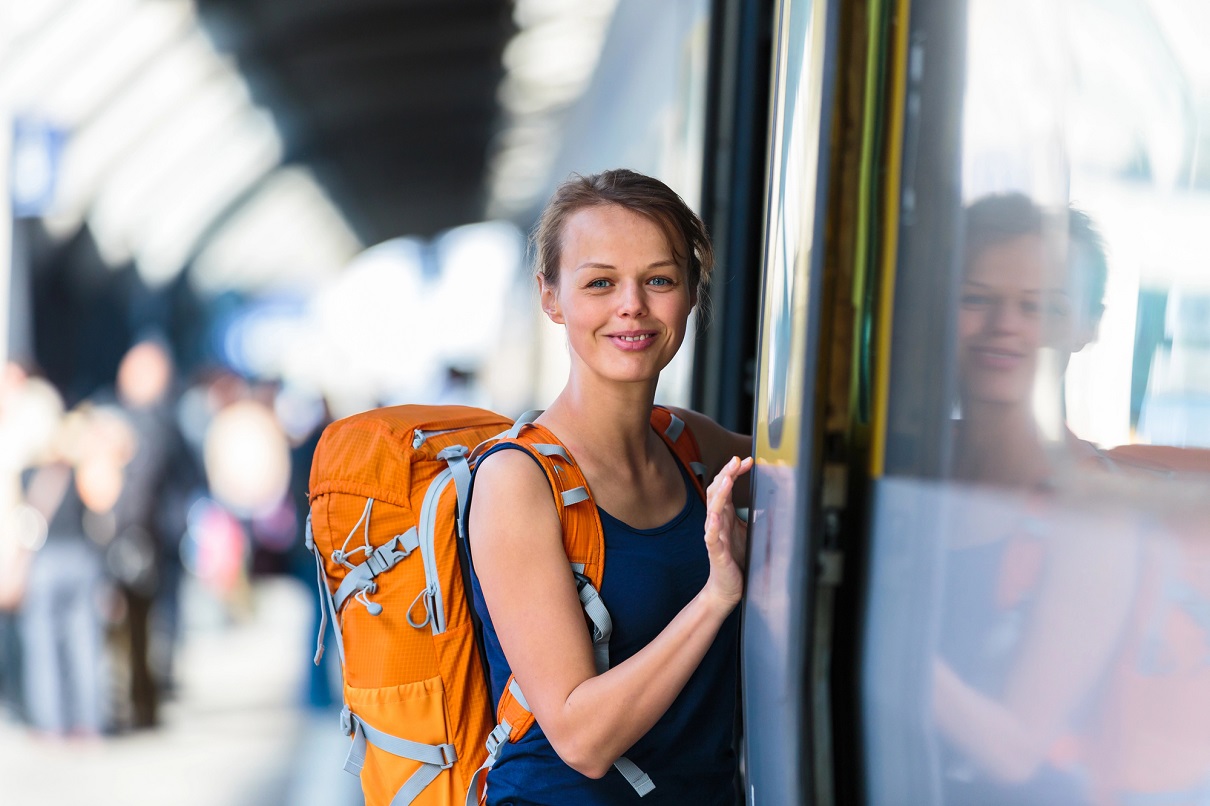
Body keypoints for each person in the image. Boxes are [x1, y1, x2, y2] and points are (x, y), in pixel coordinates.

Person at [466, 169, 752, 804]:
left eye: (660, 279)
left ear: (691, 292)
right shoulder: (519, 481)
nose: (633, 306)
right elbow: (581, 738)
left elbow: (811, 463)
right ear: (551, 297)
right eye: (600, 283)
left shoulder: (689, 446)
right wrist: (716, 596)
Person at [932, 193, 1139, 803]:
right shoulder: (909, 463)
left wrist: (845, 625)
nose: (1007, 326)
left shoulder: (1094, 514)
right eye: (976, 298)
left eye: (1040, 308)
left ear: (1087, 326)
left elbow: (1016, 750)